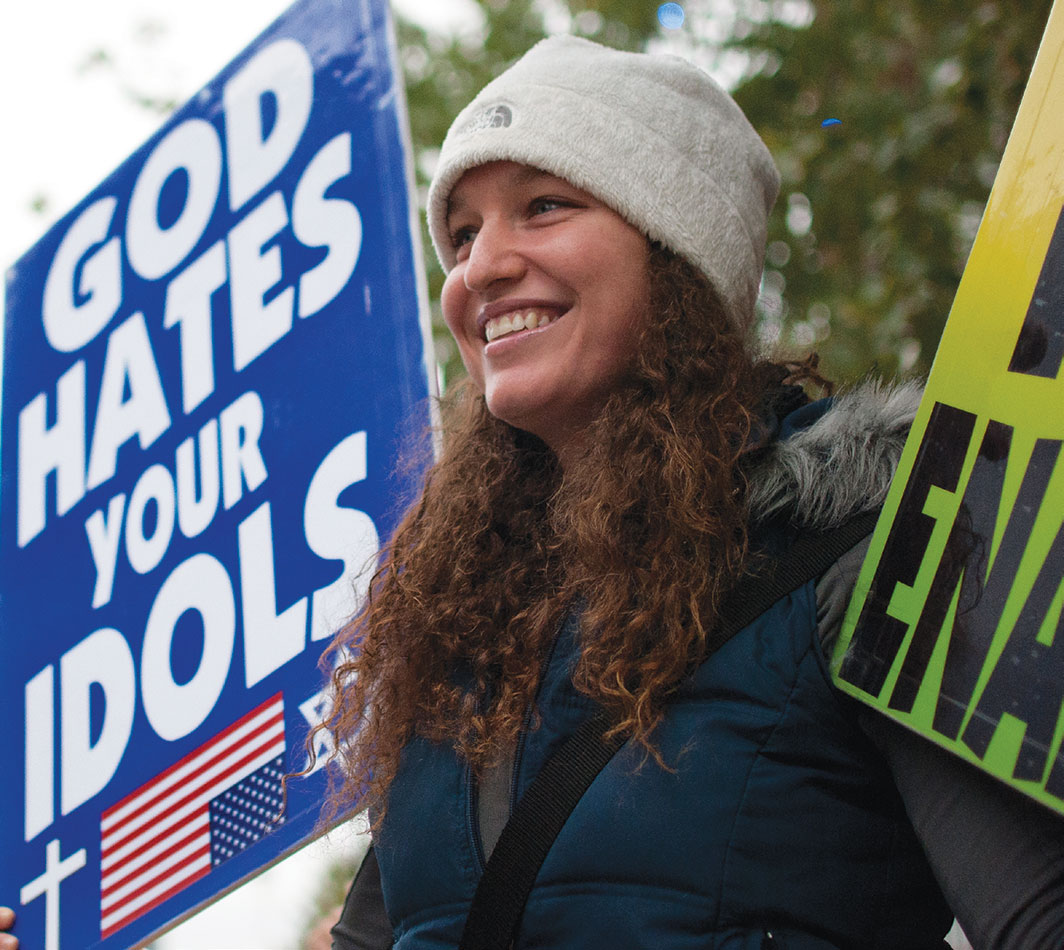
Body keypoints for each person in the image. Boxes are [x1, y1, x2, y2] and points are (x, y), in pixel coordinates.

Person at [3, 34, 1063, 950]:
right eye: (461, 235)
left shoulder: (878, 554)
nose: (477, 268)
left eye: (542, 205)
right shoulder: (444, 652)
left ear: (676, 253)